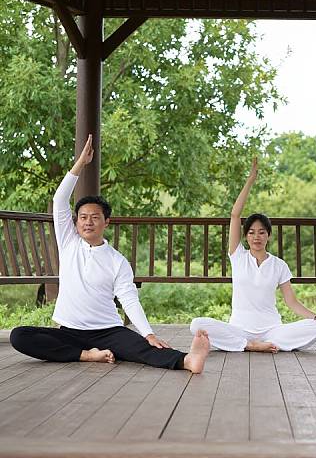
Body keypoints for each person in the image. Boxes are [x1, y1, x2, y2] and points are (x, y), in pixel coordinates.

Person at [10, 135, 209, 373]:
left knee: (141, 348)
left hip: (108, 332)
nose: (88, 222)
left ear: (107, 222)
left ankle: (188, 360)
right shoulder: (68, 243)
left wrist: (148, 332)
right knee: (20, 336)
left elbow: (129, 299)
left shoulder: (117, 261)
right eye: (83, 217)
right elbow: (59, 200)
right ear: (76, 223)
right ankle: (86, 356)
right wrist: (80, 164)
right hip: (70, 331)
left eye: (95, 217)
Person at [190, 158, 316, 352]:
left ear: (269, 235)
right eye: (251, 232)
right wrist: (251, 179)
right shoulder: (238, 256)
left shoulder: (279, 265)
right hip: (239, 330)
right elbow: (234, 215)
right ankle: (249, 345)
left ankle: (263, 344)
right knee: (197, 324)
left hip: (272, 330)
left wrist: (315, 316)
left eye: (262, 232)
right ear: (246, 236)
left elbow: (291, 302)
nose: (256, 236)